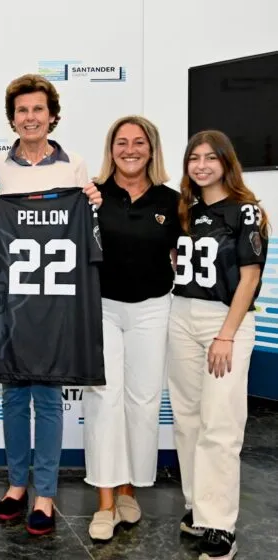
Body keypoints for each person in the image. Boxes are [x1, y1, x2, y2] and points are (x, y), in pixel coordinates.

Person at [0, 74, 101, 535]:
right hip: (11, 300)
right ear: (12, 119)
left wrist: (91, 200)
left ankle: (47, 493)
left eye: (38, 110)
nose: (30, 118)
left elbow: (87, 228)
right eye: (22, 111)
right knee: (14, 396)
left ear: (52, 115)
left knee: (49, 399)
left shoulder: (74, 164)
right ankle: (17, 485)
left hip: (57, 301)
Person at [168, 130, 269, 560]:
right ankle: (198, 508)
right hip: (182, 314)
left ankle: (220, 524)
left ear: (228, 162)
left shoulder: (247, 211)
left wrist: (226, 333)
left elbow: (249, 277)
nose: (202, 165)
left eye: (211, 157)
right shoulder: (185, 210)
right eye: (195, 157)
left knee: (221, 426)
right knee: (188, 421)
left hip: (224, 321)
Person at [81, 115, 180, 541]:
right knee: (104, 400)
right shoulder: (92, 195)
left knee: (141, 402)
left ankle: (128, 489)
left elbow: (185, 257)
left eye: (139, 142)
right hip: (101, 308)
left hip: (154, 309)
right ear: (111, 149)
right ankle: (105, 502)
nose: (130, 149)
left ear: (151, 149)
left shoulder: (173, 201)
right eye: (121, 142)